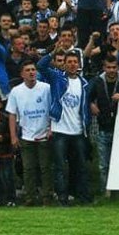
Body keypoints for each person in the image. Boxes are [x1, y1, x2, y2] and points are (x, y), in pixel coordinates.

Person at [37, 48, 91, 206]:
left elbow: (85, 107)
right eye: (69, 62)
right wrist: (52, 53)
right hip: (60, 130)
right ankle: (62, 198)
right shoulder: (57, 78)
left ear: (79, 64)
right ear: (64, 65)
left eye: (75, 62)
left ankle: (82, 196)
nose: (73, 65)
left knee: (80, 166)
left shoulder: (85, 83)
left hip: (78, 131)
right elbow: (41, 66)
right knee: (60, 167)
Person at [6, 60, 52, 206]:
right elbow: (12, 114)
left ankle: (47, 198)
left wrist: (51, 128)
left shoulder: (46, 88)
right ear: (22, 74)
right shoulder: (16, 91)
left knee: (45, 168)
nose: (32, 72)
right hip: (26, 136)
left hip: (45, 134)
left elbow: (53, 109)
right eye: (28, 70)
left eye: (33, 70)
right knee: (28, 169)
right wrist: (13, 136)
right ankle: (30, 198)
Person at [89, 54, 119, 193]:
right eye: (108, 67)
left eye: (114, 67)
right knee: (103, 164)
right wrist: (92, 105)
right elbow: (88, 98)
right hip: (103, 127)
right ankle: (106, 192)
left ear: (118, 67)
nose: (111, 70)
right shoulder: (97, 81)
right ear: (104, 68)